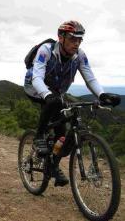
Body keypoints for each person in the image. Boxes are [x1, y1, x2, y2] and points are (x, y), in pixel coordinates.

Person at [24, 20, 120, 187]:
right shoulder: (46, 50)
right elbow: (37, 77)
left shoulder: (80, 56)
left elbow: (90, 77)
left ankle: (53, 165)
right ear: (61, 38)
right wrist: (46, 94)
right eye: (72, 39)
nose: (76, 43)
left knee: (62, 134)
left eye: (79, 40)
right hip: (35, 87)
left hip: (57, 92)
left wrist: (102, 94)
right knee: (54, 103)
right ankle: (39, 137)